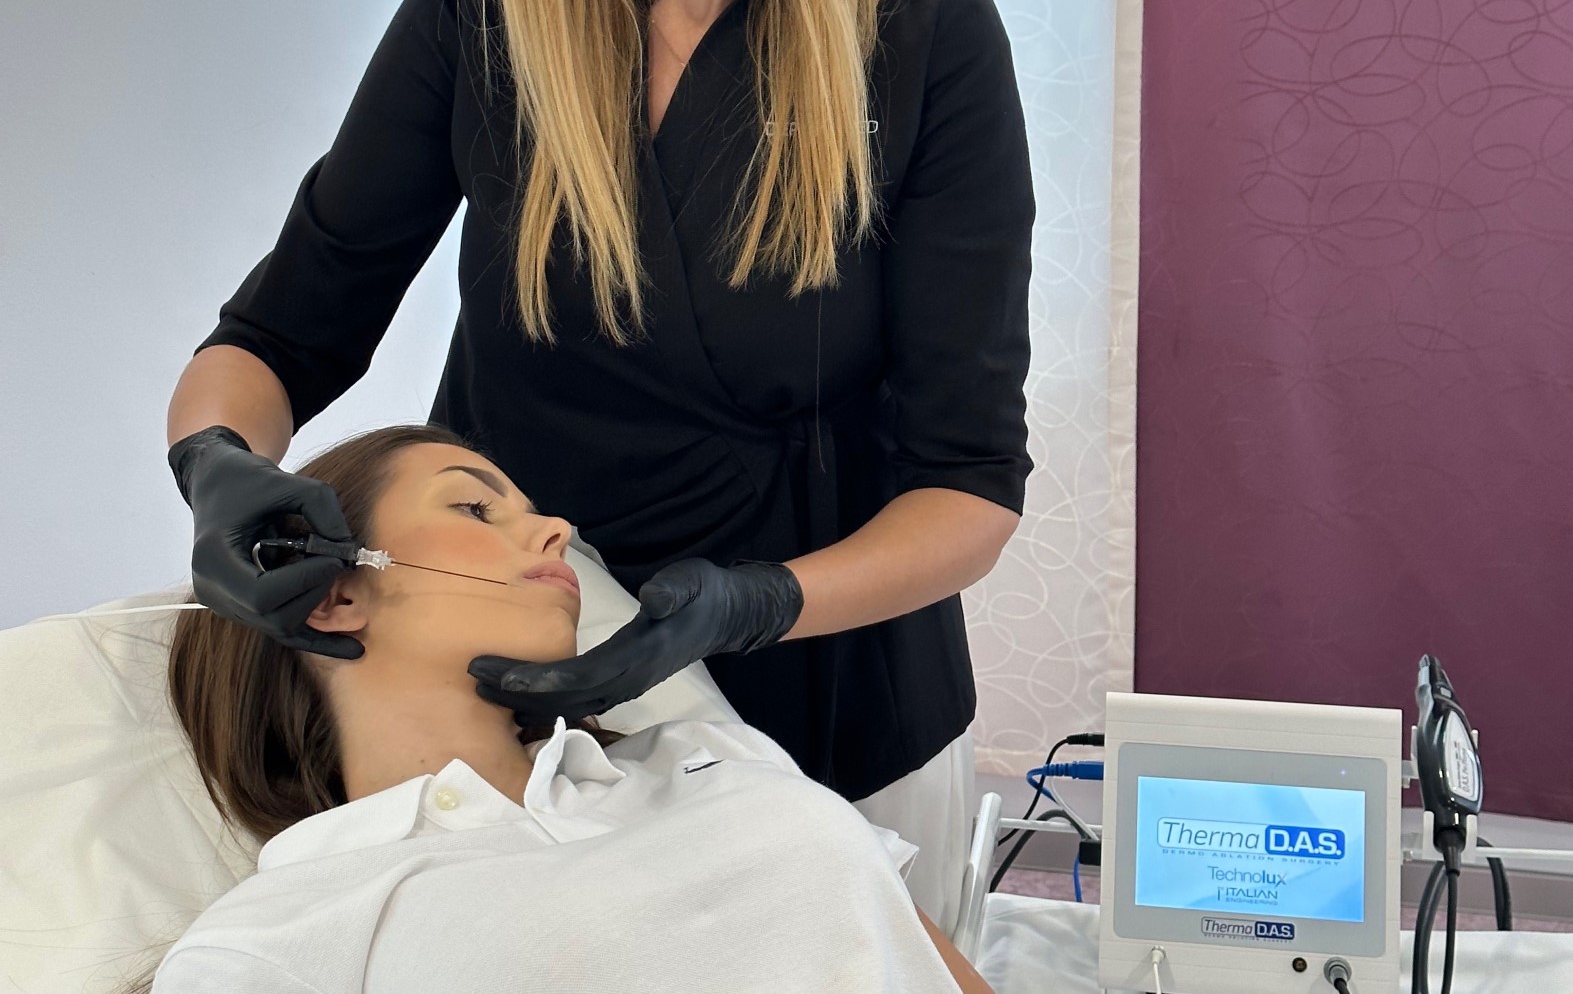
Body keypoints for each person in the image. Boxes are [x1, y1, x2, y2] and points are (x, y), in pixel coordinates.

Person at [164, 0, 1036, 927]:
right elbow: (281, 328)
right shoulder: (482, 5)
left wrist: (746, 603)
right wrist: (215, 462)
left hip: (831, 700)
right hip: (528, 702)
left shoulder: (920, 26)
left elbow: (966, 486)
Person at [143, 423, 995, 994]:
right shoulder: (277, 936)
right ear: (334, 594)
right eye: (475, 506)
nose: (555, 526)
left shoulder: (706, 757)